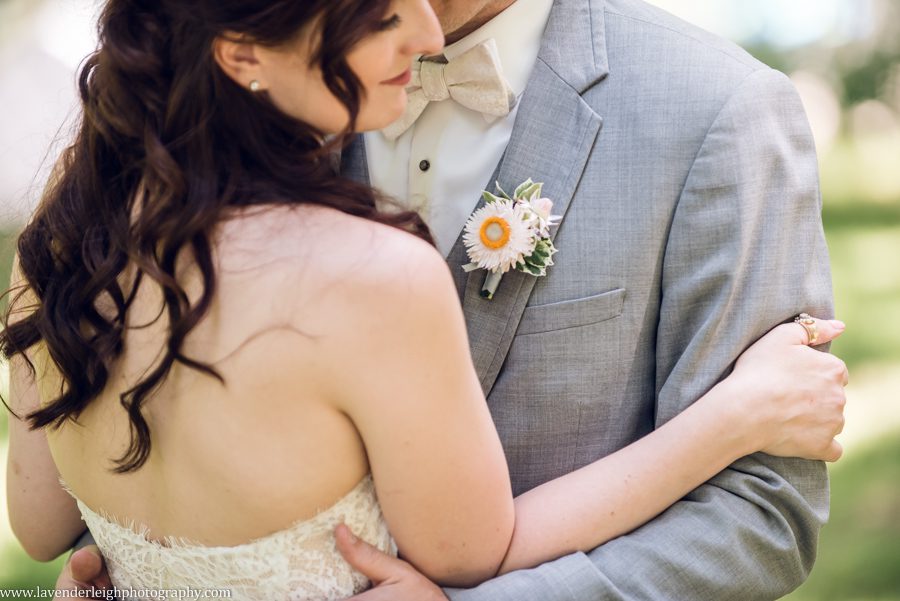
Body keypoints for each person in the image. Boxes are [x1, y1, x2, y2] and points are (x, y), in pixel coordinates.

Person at [5, 0, 845, 599]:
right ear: (241, 49)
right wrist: (739, 412)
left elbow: (760, 511)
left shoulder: (719, 109)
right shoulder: (323, 150)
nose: (425, 33)